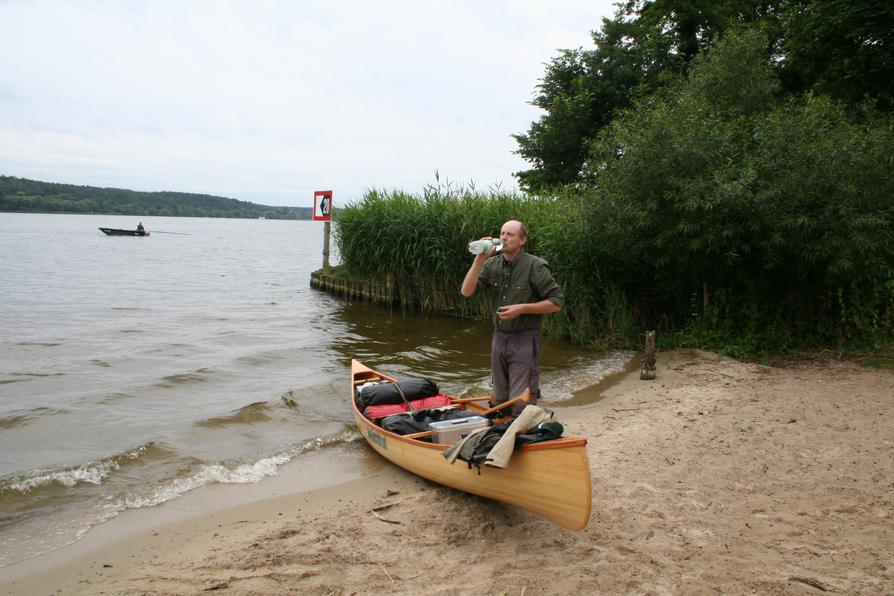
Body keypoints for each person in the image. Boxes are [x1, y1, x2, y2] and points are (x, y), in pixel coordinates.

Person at [460, 220, 564, 417]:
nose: (504, 238)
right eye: (502, 233)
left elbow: (557, 303)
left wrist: (522, 308)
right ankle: (501, 436)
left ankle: (523, 434)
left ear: (522, 240)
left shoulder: (535, 266)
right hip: (499, 339)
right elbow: (466, 291)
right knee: (499, 400)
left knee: (521, 402)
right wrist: (479, 259)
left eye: (510, 234)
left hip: (525, 339)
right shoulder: (491, 264)